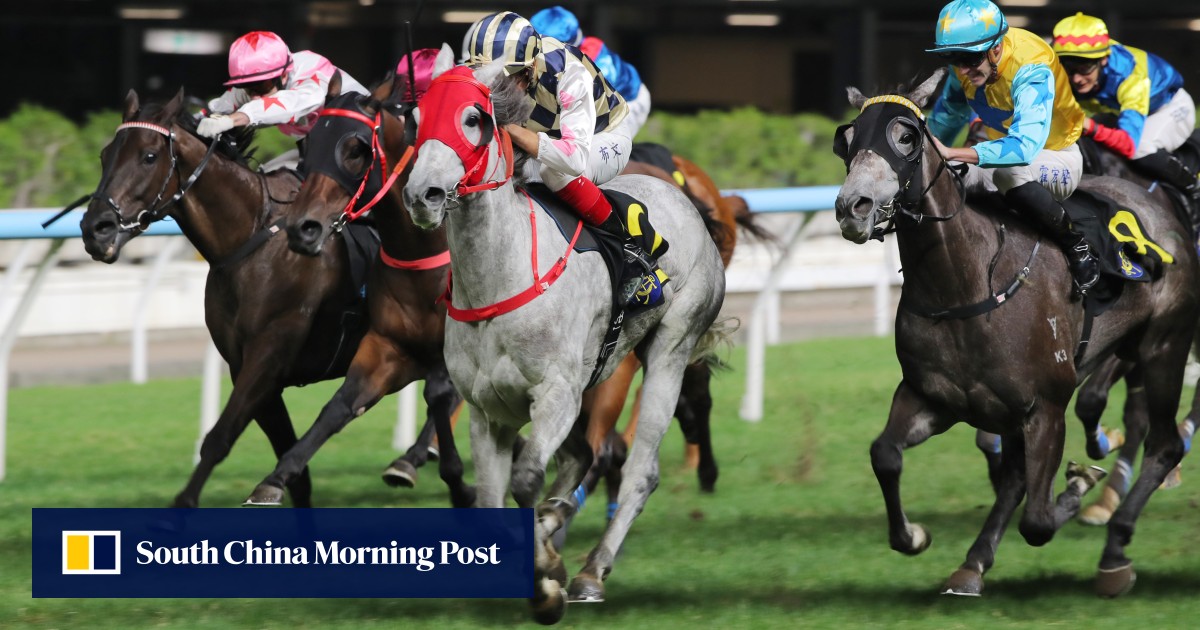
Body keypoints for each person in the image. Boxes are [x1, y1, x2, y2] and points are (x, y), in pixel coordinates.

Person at [926, 0, 1098, 296]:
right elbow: (945, 120)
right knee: (940, 178)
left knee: (1010, 174)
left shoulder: (1032, 66)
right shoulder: (964, 68)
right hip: (998, 155)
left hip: (1057, 158)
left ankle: (1077, 246)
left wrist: (955, 152)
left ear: (995, 48)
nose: (963, 69)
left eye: (969, 59)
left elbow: (1023, 149)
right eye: (955, 59)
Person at [462, 12, 657, 271]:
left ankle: (629, 249)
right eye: (489, 79)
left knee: (553, 171)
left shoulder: (568, 71)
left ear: (529, 67)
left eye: (505, 80)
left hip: (603, 137)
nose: (497, 91)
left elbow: (573, 159)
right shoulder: (513, 67)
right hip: (551, 136)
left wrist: (511, 130)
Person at [1051, 13, 1199, 202]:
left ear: (1104, 59)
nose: (1076, 78)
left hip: (1169, 108)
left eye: (1085, 67)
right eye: (1069, 67)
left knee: (1141, 148)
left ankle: (1193, 190)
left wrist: (1090, 126)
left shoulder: (1130, 78)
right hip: (1121, 110)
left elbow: (1128, 145)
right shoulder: (1063, 68)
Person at [197, 31, 368, 142]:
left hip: (367, 141)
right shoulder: (254, 88)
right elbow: (217, 108)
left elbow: (290, 103)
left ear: (284, 75)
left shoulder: (312, 67)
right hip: (322, 147)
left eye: (261, 86)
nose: (254, 96)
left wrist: (232, 120)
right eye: (247, 87)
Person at [530, 6, 652, 136]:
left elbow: (586, 112)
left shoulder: (592, 68)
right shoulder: (576, 48)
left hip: (630, 102)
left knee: (591, 145)